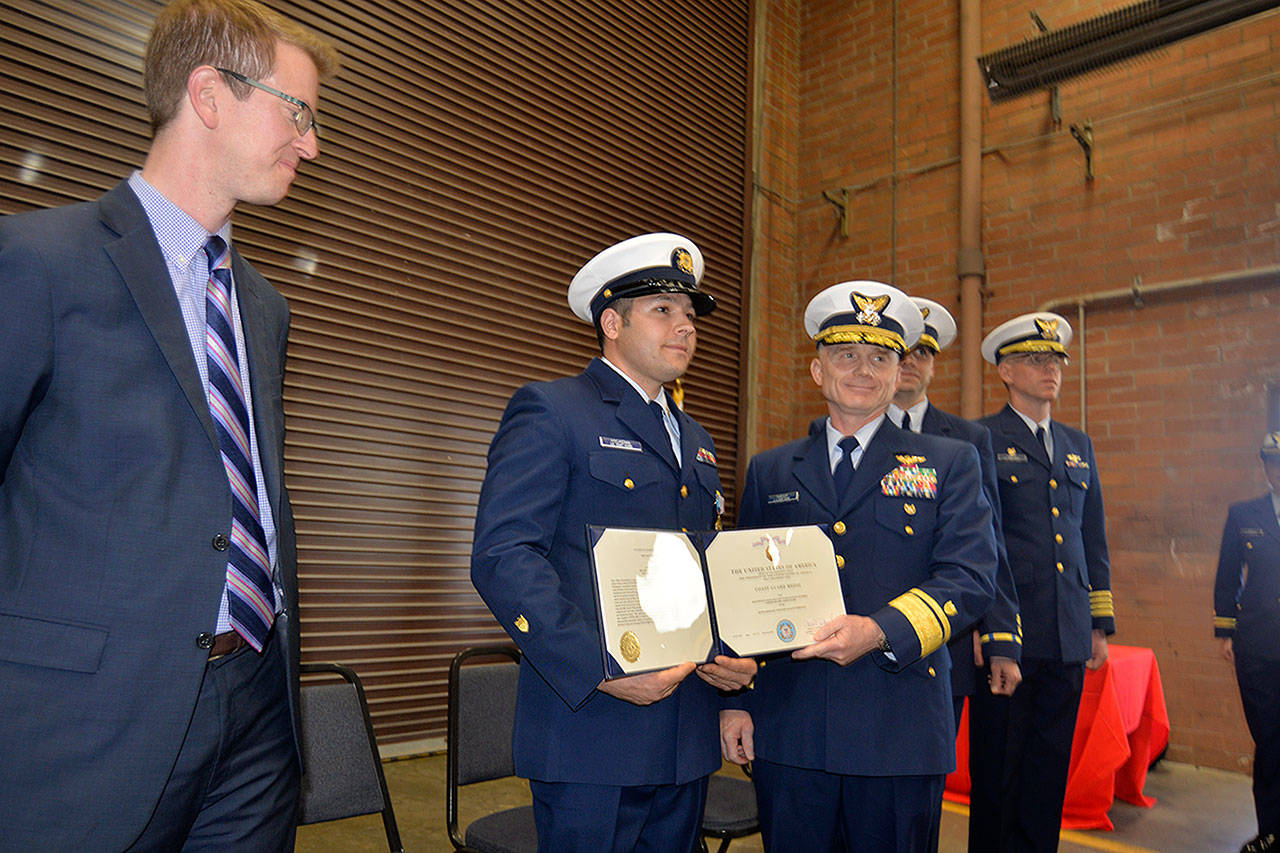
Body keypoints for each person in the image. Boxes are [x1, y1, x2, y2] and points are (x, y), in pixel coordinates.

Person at [0, 1, 338, 848]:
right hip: (88, 726)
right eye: (297, 113)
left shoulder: (264, 305)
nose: (311, 143)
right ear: (210, 94)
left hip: (257, 712)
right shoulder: (39, 263)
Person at [470, 232, 757, 851]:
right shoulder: (553, 410)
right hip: (592, 732)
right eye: (663, 311)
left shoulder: (697, 438)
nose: (684, 327)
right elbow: (504, 557)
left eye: (689, 316)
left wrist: (733, 657)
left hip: (684, 733)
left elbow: (702, 568)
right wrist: (600, 667)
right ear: (611, 322)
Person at [720, 280, 997, 852]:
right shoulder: (771, 471)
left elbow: (971, 578)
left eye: (880, 357)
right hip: (792, 730)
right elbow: (737, 598)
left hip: (898, 730)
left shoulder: (950, 462)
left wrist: (878, 631)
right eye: (846, 354)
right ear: (818, 370)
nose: (863, 369)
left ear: (898, 374)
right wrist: (736, 704)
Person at [969, 311, 1115, 853]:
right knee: (999, 770)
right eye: (1035, 359)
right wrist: (992, 626)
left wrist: (1099, 622)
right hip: (1012, 632)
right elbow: (984, 543)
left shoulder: (1079, 444)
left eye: (1055, 359)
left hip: (1068, 631)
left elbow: (1090, 538)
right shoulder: (983, 437)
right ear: (1005, 370)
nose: (1049, 369)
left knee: (1049, 771)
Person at [889, 296, 1022, 729]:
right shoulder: (849, 432)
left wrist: (1002, 638)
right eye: (901, 351)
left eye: (923, 353)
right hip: (868, 630)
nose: (911, 362)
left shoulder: (967, 441)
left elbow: (989, 542)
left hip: (949, 637)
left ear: (934, 365)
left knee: (929, 773)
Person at [1215, 432, 1280, 853]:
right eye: (1271, 462)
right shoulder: (1244, 514)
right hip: (1257, 645)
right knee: (1271, 739)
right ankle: (1271, 832)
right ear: (1264, 467)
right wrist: (1226, 631)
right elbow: (1226, 577)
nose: (1277, 470)